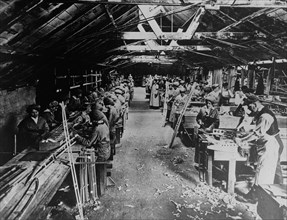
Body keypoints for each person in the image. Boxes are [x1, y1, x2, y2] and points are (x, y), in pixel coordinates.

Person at [235, 94, 284, 185]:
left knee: (268, 170)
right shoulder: (260, 112)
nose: (249, 109)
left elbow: (256, 134)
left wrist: (242, 140)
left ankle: (271, 191)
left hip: (272, 144)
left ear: (255, 104)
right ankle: (264, 189)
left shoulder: (265, 116)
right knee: (269, 169)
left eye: (250, 106)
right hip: (268, 143)